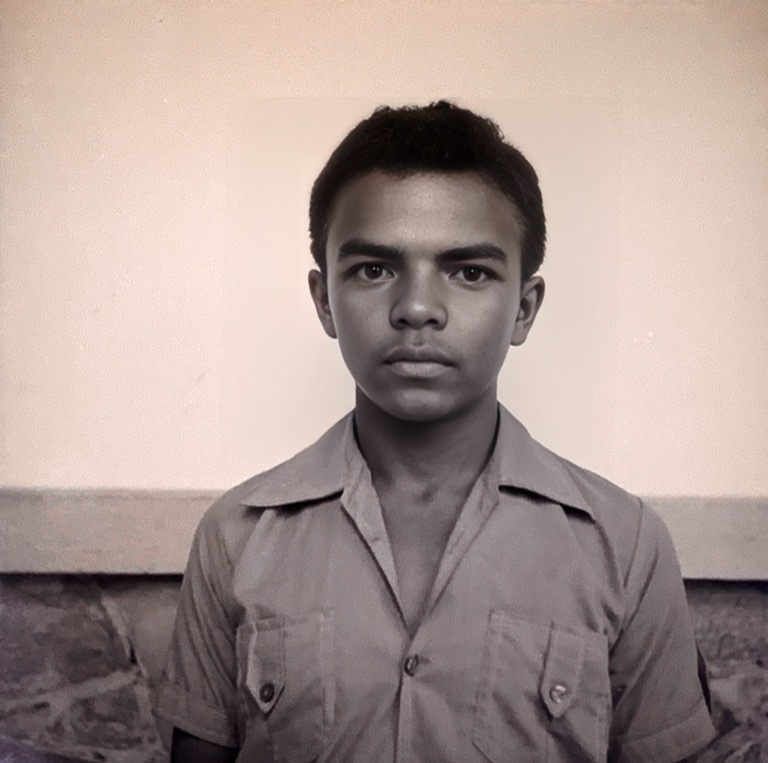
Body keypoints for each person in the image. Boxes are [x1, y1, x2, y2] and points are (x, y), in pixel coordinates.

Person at [156, 101, 716, 762]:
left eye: (469, 272)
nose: (417, 308)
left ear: (524, 309)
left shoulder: (623, 544)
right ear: (324, 300)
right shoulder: (236, 538)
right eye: (374, 269)